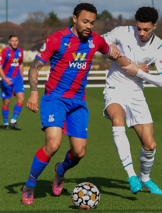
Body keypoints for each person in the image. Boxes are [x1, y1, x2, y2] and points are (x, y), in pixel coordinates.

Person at [21, 3, 126, 204]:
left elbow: (114, 54)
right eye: (85, 21)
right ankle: (30, 184)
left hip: (78, 102)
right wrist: (34, 93)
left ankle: (60, 170)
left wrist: (134, 67)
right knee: (52, 144)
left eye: (92, 23)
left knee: (79, 152)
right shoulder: (56, 39)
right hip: (55, 98)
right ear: (75, 19)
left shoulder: (96, 40)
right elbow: (34, 68)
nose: (89, 26)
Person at [102, 6, 162, 195]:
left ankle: (145, 178)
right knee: (117, 120)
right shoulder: (123, 32)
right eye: (138, 28)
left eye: (146, 29)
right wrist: (111, 45)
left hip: (136, 93)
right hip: (115, 88)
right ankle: (131, 175)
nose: (141, 33)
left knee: (150, 145)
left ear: (155, 26)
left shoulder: (159, 47)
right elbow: (100, 42)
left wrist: (138, 72)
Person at [0, 35, 24, 130]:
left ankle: (13, 121)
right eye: (13, 41)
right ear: (9, 42)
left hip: (17, 79)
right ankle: (5, 123)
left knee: (21, 98)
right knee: (6, 102)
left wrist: (22, 75)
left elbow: (21, 63)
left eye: (16, 40)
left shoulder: (20, 51)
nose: (15, 42)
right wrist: (4, 79)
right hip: (7, 79)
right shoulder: (4, 52)